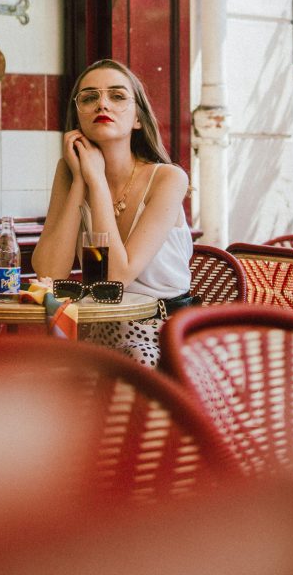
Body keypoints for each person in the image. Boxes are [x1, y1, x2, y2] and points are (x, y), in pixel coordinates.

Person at [32, 59, 194, 366]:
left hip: (164, 336)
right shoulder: (70, 172)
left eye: (117, 96)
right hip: (100, 332)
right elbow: (50, 273)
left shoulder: (169, 178)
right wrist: (80, 180)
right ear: (78, 115)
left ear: (137, 119)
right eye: (89, 97)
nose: (102, 103)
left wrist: (97, 182)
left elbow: (116, 277)